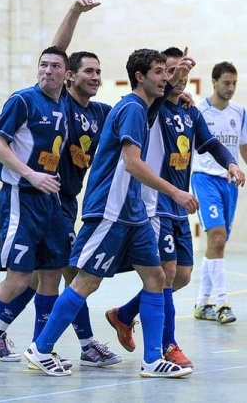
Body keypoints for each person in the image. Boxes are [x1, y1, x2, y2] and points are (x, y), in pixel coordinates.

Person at [23, 47, 199, 378]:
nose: (166, 77)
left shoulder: (143, 106)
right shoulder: (131, 109)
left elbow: (159, 102)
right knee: (87, 282)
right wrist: (175, 191)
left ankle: (152, 360)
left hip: (134, 214)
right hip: (110, 211)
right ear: (140, 77)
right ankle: (41, 348)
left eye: (168, 72)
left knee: (158, 276)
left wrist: (177, 78)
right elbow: (132, 163)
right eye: (159, 72)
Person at [0, 0, 122, 368]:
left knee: (44, 277)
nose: (94, 77)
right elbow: (58, 51)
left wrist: (175, 91)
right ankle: (86, 343)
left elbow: (136, 109)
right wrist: (74, 10)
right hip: (41, 198)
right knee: (65, 273)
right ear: (68, 75)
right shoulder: (57, 101)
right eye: (86, 71)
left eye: (97, 72)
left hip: (65, 199)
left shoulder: (101, 112)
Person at [104, 48, 245, 369]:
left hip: (180, 204)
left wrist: (232, 163)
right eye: (168, 73)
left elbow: (209, 143)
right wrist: (177, 73)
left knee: (181, 276)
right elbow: (162, 94)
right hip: (156, 204)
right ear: (160, 76)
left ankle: (124, 315)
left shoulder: (190, 112)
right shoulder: (151, 110)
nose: (176, 79)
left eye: (179, 74)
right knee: (164, 275)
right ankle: (168, 345)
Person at [0, 46, 73, 374]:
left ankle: (41, 349)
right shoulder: (22, 100)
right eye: (43, 65)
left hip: (50, 200)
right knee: (19, 279)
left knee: (51, 274)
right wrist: (32, 174)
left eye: (54, 66)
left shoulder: (64, 103)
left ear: (66, 74)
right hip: (21, 198)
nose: (47, 70)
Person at [191, 61, 247, 324]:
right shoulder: (198, 110)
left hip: (229, 183)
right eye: (226, 82)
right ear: (214, 82)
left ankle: (202, 303)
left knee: (217, 242)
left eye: (234, 83)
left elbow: (243, 148)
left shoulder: (240, 112)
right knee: (217, 236)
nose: (231, 88)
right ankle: (223, 302)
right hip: (204, 179)